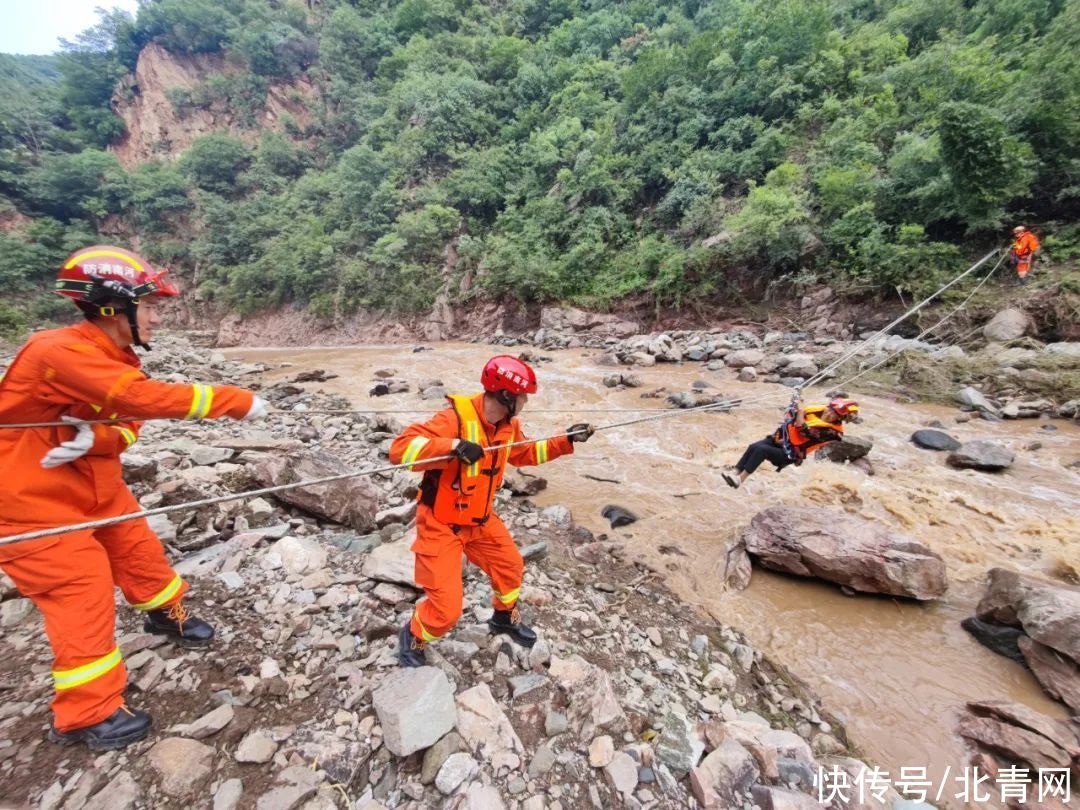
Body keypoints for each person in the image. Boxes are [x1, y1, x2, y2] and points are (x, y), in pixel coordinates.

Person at [0, 245, 268, 750]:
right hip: (27, 500)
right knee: (81, 587)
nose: (156, 319)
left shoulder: (113, 355)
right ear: (110, 306)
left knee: (138, 549)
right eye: (149, 307)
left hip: (93, 485)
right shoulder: (55, 351)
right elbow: (138, 399)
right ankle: (85, 712)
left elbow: (129, 423)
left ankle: (165, 612)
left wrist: (94, 439)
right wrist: (236, 401)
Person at [389, 355, 594, 667]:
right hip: (441, 524)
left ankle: (503, 618)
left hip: (480, 520)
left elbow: (526, 454)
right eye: (523, 396)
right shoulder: (453, 420)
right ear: (507, 396)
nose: (526, 401)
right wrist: (452, 446)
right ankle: (414, 633)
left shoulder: (507, 426)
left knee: (510, 566)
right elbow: (400, 450)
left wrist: (565, 440)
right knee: (446, 611)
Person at [722, 397, 859, 489]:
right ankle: (735, 472)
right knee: (754, 446)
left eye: (833, 414)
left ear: (839, 418)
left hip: (789, 453)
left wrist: (799, 411)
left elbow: (803, 430)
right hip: (780, 439)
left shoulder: (832, 432)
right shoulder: (818, 412)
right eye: (829, 409)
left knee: (761, 450)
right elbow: (796, 414)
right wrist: (797, 402)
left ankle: (740, 479)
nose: (828, 413)